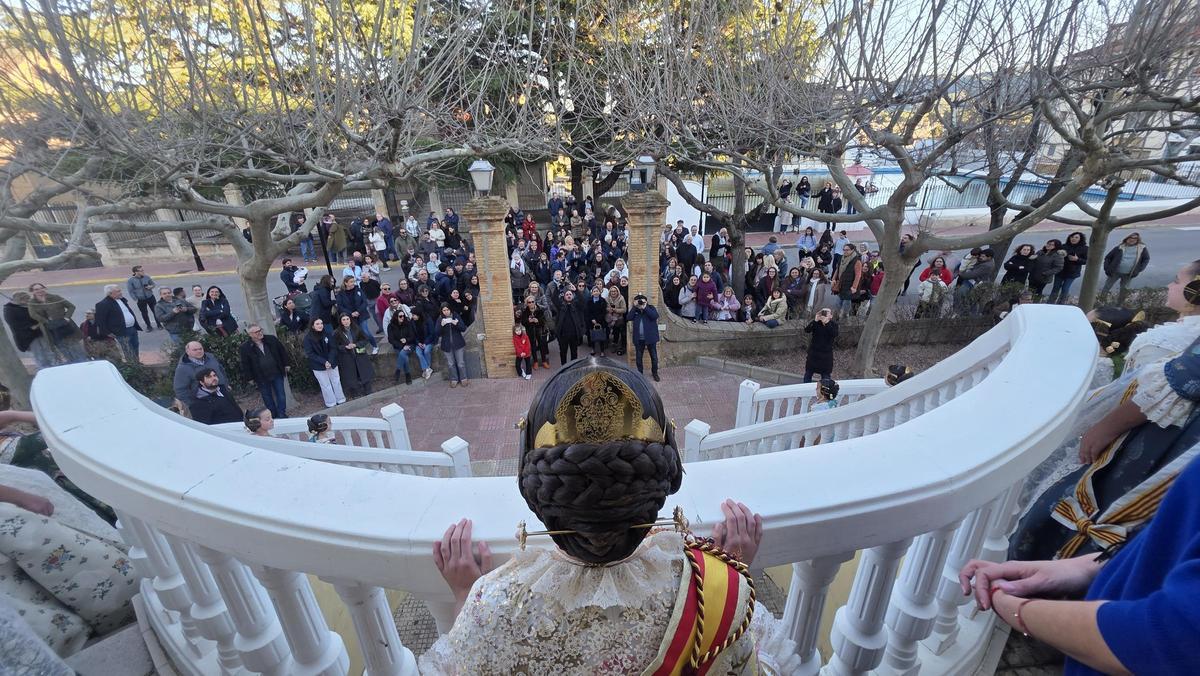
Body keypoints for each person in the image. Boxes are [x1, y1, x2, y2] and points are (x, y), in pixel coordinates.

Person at [419, 359, 799, 674]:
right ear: (666, 476)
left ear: (533, 485)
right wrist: (730, 577)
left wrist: (466, 597)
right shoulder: (715, 591)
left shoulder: (493, 606)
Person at [1011, 266, 1200, 562]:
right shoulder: (1182, 339)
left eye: (1177, 281)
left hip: (1146, 442)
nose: (1169, 285)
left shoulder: (1162, 343)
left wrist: (1104, 427)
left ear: (1195, 291)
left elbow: (1155, 390)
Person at [26, 283, 86, 365]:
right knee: (63, 349)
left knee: (76, 348)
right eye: (36, 289)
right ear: (32, 292)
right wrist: (46, 321)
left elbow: (71, 306)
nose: (40, 290)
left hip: (65, 325)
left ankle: (83, 364)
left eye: (41, 288)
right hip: (51, 329)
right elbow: (33, 314)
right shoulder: (32, 303)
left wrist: (67, 317)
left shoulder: (55, 297)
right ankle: (73, 365)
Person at [239, 324, 290, 418]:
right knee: (267, 398)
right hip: (261, 377)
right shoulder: (245, 347)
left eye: (260, 330)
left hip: (276, 372)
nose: (260, 333)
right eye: (256, 332)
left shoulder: (271, 339)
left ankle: (281, 414)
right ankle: (273, 415)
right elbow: (245, 364)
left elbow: (282, 351)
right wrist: (249, 378)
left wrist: (286, 364)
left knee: (281, 395)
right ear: (250, 334)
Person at [173, 340, 230, 408]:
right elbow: (180, 390)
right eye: (195, 350)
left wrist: (226, 384)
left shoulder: (210, 357)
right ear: (187, 352)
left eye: (200, 349)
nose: (199, 351)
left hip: (223, 393)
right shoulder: (183, 368)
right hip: (205, 401)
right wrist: (194, 405)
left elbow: (221, 370)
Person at [303, 318, 347, 407]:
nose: (320, 325)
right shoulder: (307, 339)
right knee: (325, 385)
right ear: (313, 326)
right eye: (317, 324)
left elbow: (333, 348)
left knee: (336, 381)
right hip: (318, 365)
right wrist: (324, 362)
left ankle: (341, 399)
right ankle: (331, 403)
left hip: (332, 362)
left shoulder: (327, 334)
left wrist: (330, 361)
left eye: (321, 323)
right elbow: (310, 353)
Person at [3, 291, 54, 369]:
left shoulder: (24, 305)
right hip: (28, 337)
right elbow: (19, 325)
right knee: (39, 355)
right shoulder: (9, 310)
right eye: (26, 300)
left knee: (48, 351)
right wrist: (40, 323)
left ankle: (53, 367)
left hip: (39, 333)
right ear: (20, 300)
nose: (28, 302)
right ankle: (44, 370)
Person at [94, 284, 141, 361]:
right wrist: (107, 332)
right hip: (121, 331)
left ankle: (137, 363)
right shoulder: (103, 304)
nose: (121, 292)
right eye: (118, 291)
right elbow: (100, 321)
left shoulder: (122, 300)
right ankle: (133, 366)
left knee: (135, 347)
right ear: (110, 293)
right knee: (128, 350)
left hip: (132, 328)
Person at [333, 313, 375, 398]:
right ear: (340, 321)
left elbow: (365, 339)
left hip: (359, 354)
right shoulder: (337, 332)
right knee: (351, 375)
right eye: (343, 320)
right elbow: (336, 346)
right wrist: (345, 347)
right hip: (347, 356)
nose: (346, 322)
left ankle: (367, 389)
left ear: (350, 320)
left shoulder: (357, 328)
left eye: (347, 319)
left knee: (364, 372)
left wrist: (356, 345)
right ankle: (355, 392)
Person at [1101, 232, 1150, 303]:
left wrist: (1140, 269)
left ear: (1138, 240)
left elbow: (1146, 259)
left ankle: (1119, 305)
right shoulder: (1119, 247)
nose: (1132, 239)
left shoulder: (1142, 248)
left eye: (1135, 238)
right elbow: (1108, 257)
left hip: (1129, 274)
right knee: (1107, 287)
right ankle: (1101, 301)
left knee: (1124, 290)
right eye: (1130, 237)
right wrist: (1106, 268)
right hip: (1115, 272)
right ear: (1127, 238)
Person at [335, 276, 379, 354]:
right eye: (351, 282)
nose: (353, 283)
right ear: (346, 283)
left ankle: (374, 346)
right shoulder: (341, 293)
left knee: (365, 331)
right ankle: (360, 348)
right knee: (355, 333)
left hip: (361, 314)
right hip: (350, 316)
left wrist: (358, 311)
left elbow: (364, 302)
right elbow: (340, 306)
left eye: (354, 281)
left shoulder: (358, 290)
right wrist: (350, 313)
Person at [627, 294, 661, 382]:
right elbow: (629, 317)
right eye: (639, 301)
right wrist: (634, 307)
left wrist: (645, 307)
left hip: (651, 338)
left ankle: (655, 373)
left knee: (654, 357)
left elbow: (655, 316)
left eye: (642, 301)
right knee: (638, 357)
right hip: (639, 338)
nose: (640, 302)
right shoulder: (635, 310)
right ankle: (640, 374)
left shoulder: (651, 308)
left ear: (646, 301)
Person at [1050, 231, 1089, 304]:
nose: (1073, 239)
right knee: (1056, 287)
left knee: (1065, 288)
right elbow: (1055, 256)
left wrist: (1077, 259)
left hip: (1072, 272)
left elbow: (1087, 261)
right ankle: (1050, 303)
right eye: (1072, 237)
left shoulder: (1085, 248)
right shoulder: (1064, 246)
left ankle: (1061, 304)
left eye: (1076, 237)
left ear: (1080, 239)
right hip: (1060, 271)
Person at [437, 304, 469, 388]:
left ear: (450, 309)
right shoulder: (440, 318)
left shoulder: (456, 316)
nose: (446, 312)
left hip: (458, 344)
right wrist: (441, 325)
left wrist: (456, 323)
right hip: (447, 345)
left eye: (447, 309)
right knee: (451, 364)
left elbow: (463, 328)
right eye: (444, 310)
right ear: (442, 311)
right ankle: (454, 379)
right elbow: (436, 333)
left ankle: (463, 378)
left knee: (460, 363)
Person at [386, 307, 419, 385]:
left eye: (403, 316)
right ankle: (408, 375)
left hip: (410, 345)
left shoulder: (408, 324)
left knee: (403, 354)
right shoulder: (391, 326)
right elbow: (391, 340)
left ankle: (397, 371)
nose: (402, 318)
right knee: (405, 357)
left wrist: (406, 340)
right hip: (398, 346)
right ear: (396, 317)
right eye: (400, 316)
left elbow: (412, 336)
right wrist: (401, 345)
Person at [804, 308, 837, 383]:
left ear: (831, 316)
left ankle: (825, 393)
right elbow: (807, 330)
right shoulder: (816, 323)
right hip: (814, 353)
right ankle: (805, 391)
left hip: (826, 355)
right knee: (808, 373)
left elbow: (834, 334)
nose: (824, 314)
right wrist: (815, 320)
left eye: (826, 313)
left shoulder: (833, 325)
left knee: (825, 376)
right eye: (823, 312)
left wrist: (827, 323)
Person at [831, 242, 863, 319]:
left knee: (846, 306)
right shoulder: (842, 258)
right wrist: (834, 279)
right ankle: (835, 319)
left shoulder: (857, 261)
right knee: (837, 304)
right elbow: (837, 269)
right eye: (844, 250)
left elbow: (858, 275)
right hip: (841, 285)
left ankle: (844, 321)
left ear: (852, 250)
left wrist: (854, 287)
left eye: (847, 250)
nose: (845, 251)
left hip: (849, 287)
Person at [555, 289, 586, 365]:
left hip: (574, 334)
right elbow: (554, 298)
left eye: (570, 294)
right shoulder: (560, 305)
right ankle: (563, 367)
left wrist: (576, 291)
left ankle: (573, 366)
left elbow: (582, 300)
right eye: (567, 294)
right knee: (563, 352)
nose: (569, 296)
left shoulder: (576, 305)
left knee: (574, 352)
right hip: (563, 335)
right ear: (564, 297)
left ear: (573, 296)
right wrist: (558, 288)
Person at [126, 265, 159, 330]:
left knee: (155, 311)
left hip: (150, 297)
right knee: (144, 313)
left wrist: (150, 287)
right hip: (140, 299)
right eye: (141, 271)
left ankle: (159, 324)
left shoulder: (147, 277)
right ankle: (149, 326)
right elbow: (130, 291)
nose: (143, 271)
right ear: (136, 272)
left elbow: (153, 284)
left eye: (143, 270)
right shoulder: (130, 280)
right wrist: (136, 299)